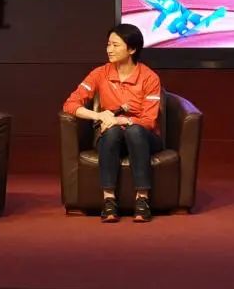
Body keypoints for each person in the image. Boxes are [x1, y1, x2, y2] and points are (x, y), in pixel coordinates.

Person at [62, 23, 162, 223]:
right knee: (112, 132)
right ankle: (109, 201)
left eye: (115, 45)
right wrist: (99, 116)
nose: (109, 49)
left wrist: (123, 119)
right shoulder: (100, 73)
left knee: (134, 131)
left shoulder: (149, 77)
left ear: (131, 49)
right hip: (112, 135)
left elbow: (149, 120)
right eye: (108, 44)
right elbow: (70, 104)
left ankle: (142, 200)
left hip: (144, 137)